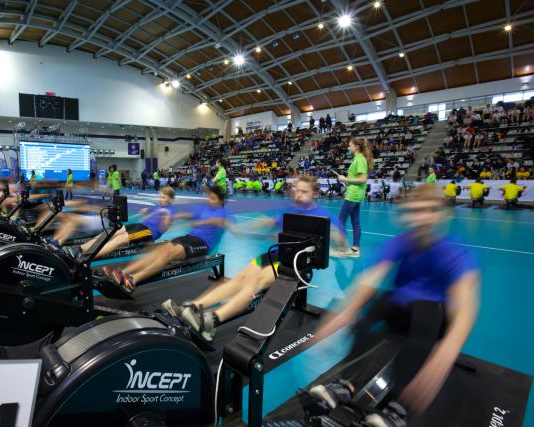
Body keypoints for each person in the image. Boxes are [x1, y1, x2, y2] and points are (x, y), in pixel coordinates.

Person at [309, 184, 480, 425]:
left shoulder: (454, 251)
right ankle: (346, 384)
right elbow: (370, 279)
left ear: (441, 214)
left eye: (428, 210)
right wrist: (346, 312)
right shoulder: (402, 242)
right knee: (375, 306)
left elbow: (465, 306)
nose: (421, 217)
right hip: (403, 310)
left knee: (425, 311)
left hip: (433, 318)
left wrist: (446, 352)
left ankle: (399, 408)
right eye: (415, 211)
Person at [161, 176, 346, 341]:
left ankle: (212, 320)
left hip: (294, 264)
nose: (298, 195)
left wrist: (332, 233)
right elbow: (268, 222)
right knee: (239, 278)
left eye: (304, 192)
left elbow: (342, 241)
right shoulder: (290, 211)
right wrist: (241, 229)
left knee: (254, 283)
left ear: (315, 194)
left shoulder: (325, 216)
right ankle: (192, 307)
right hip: (274, 254)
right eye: (297, 190)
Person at [102, 185, 230, 293]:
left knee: (168, 254)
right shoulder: (206, 209)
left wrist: (209, 222)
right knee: (158, 250)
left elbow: (229, 225)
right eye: (209, 198)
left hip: (203, 244)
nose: (210, 201)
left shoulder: (225, 213)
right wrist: (172, 216)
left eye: (213, 198)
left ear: (221, 201)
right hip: (189, 237)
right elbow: (189, 215)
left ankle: (133, 280)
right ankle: (122, 273)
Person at [60, 187, 176, 258]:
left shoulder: (170, 211)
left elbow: (163, 229)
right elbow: (148, 211)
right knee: (111, 231)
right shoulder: (158, 207)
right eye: (160, 197)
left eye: (164, 197)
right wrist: (145, 211)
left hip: (149, 232)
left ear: (171, 199)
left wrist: (165, 218)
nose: (161, 199)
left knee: (120, 239)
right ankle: (80, 248)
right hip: (140, 226)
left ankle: (85, 256)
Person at [332, 137, 372, 258]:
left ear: (356, 147)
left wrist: (345, 179)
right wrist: (346, 179)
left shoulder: (360, 160)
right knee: (355, 222)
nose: (348, 147)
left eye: (350, 145)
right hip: (356, 195)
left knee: (341, 221)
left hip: (353, 195)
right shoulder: (358, 159)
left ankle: (342, 248)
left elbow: (363, 179)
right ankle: (355, 249)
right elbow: (357, 178)